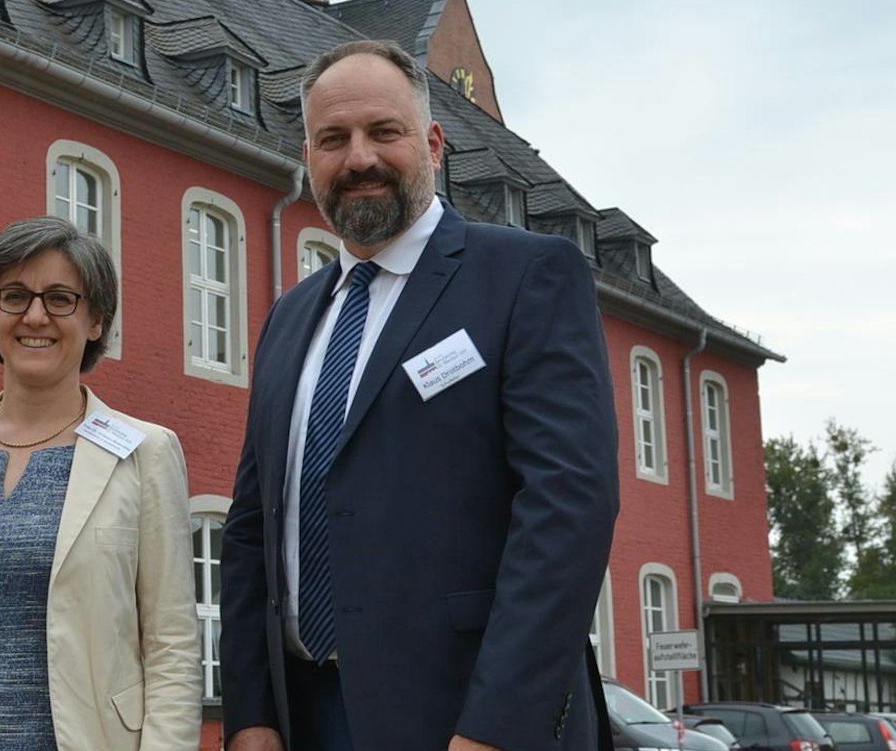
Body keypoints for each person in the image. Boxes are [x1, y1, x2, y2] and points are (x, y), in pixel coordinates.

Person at [221, 40, 620, 751]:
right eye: (333, 139)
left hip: (464, 718)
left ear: (433, 144)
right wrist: (250, 715)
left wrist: (495, 730)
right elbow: (253, 527)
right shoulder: (289, 317)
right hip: (304, 717)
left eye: (384, 132)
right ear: (308, 156)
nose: (360, 158)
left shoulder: (525, 276)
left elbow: (567, 510)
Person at [0, 216, 202, 751]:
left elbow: (172, 645)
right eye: (14, 296)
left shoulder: (146, 453)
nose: (34, 316)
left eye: (60, 299)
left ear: (96, 321)